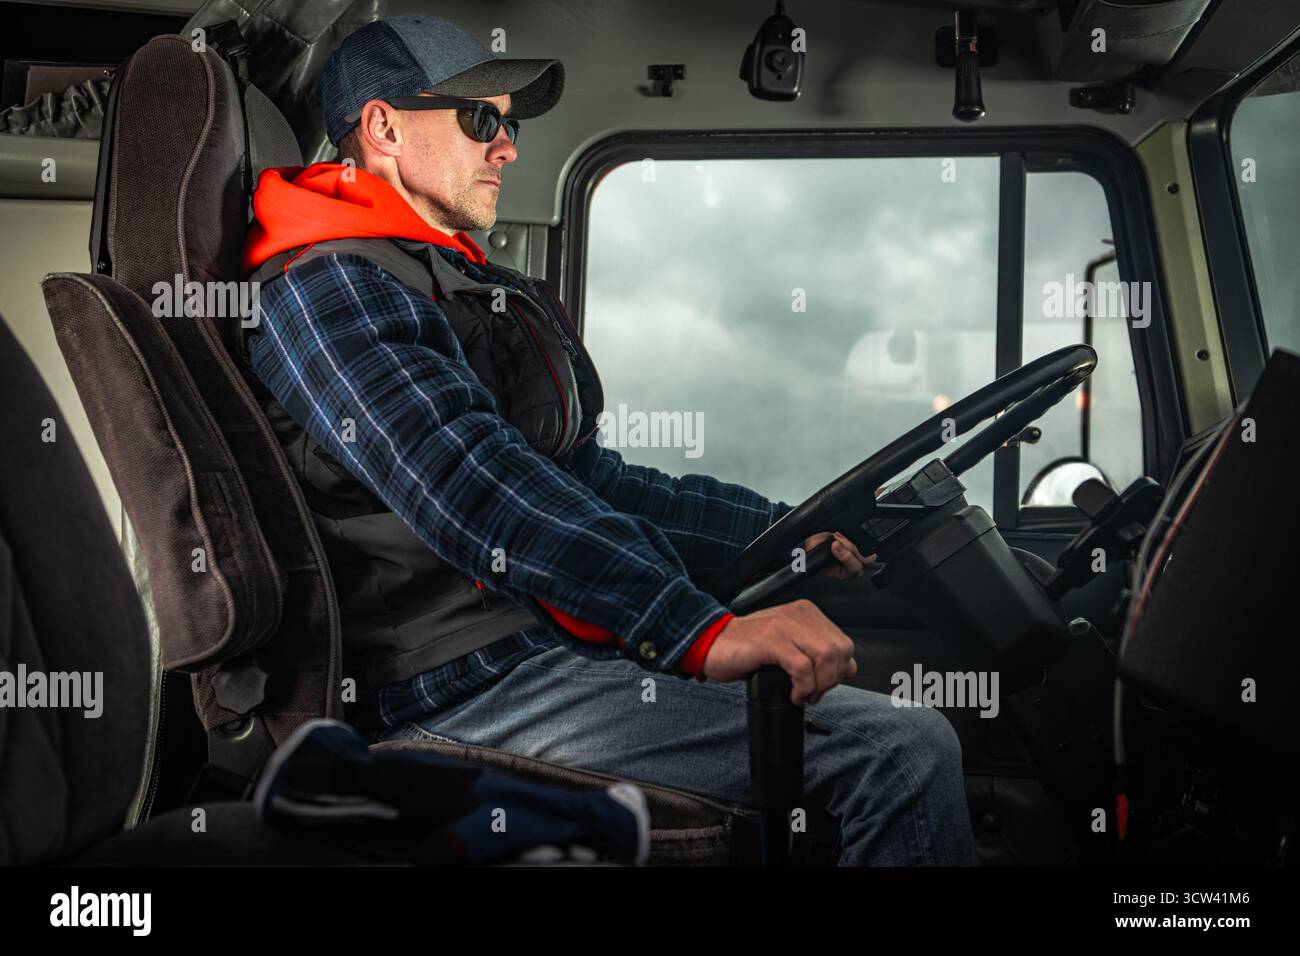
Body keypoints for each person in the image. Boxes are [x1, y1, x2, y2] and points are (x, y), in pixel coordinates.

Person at [239, 14, 977, 865]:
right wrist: (693, 628)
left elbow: (594, 482)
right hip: (459, 687)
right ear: (383, 127)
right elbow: (472, 484)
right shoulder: (325, 286)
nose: (506, 146)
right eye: (480, 120)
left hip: (534, 649)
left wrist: (788, 529)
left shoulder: (439, 276)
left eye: (509, 125)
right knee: (901, 752)